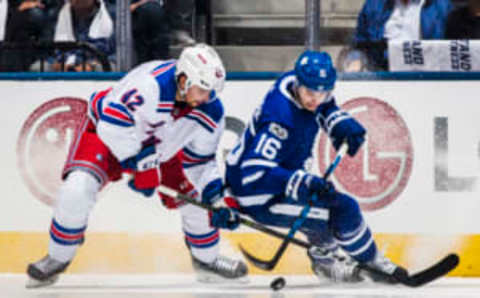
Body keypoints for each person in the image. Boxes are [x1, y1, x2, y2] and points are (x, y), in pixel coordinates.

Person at [26, 43, 248, 288]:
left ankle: (207, 260)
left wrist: (217, 198)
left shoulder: (210, 111)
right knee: (76, 190)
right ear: (183, 79)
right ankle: (58, 257)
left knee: (197, 200)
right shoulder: (149, 85)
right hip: (106, 137)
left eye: (211, 91)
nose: (207, 97)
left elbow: (200, 163)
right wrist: (141, 164)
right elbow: (111, 124)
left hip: (161, 149)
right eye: (202, 89)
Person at [206, 50, 408, 283]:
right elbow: (254, 172)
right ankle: (356, 262)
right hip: (258, 195)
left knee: (332, 207)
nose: (316, 98)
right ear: (299, 84)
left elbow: (324, 105)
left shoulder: (297, 83)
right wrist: (302, 182)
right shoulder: (279, 119)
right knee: (342, 209)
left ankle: (332, 260)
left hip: (280, 181)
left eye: (323, 92)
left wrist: (340, 124)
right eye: (310, 92)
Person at [347, 0, 453, 70]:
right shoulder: (374, 5)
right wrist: (356, 60)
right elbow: (360, 45)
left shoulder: (442, 6)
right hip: (383, 76)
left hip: (427, 77)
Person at [51, 0, 115, 71]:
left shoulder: (112, 14)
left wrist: (92, 65)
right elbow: (47, 51)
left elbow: (116, 55)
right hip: (64, 68)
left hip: (96, 70)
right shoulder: (58, 13)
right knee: (39, 67)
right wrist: (56, 64)